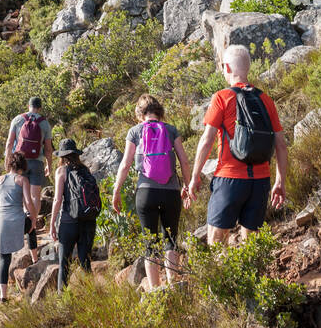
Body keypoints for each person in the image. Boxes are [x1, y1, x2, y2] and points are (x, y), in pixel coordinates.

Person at [188, 45, 287, 244]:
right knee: (252, 244)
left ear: (227, 68)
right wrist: (280, 181)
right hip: (260, 181)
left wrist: (195, 176)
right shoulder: (266, 100)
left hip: (229, 178)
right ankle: (251, 274)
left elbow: (207, 139)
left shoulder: (222, 97)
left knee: (216, 240)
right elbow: (281, 145)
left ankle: (221, 276)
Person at [112, 94, 191, 289]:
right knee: (170, 240)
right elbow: (184, 161)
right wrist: (187, 186)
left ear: (140, 113)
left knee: (150, 243)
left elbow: (125, 164)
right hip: (171, 192)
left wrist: (116, 191)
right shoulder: (171, 130)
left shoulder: (135, 132)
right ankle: (173, 287)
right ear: (160, 112)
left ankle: (155, 292)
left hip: (146, 193)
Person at [50, 139, 101, 292]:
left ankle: (62, 299)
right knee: (85, 261)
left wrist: (52, 223)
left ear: (62, 156)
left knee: (64, 263)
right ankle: (92, 296)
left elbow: (58, 199)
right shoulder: (85, 170)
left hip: (69, 222)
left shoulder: (61, 171)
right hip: (88, 219)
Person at [5, 96, 53, 258]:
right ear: (40, 107)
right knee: (35, 195)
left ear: (29, 106)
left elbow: (9, 143)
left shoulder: (18, 119)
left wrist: (8, 164)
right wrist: (50, 164)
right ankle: (32, 221)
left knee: (21, 195)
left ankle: (25, 219)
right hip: (37, 162)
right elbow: (48, 148)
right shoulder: (45, 123)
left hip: (19, 162)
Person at [0, 152, 39, 302]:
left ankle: (3, 296)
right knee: (31, 227)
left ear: (9, 164)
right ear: (22, 165)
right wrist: (34, 218)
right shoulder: (22, 180)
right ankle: (35, 259)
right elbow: (28, 203)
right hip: (18, 222)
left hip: (2, 222)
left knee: (4, 259)